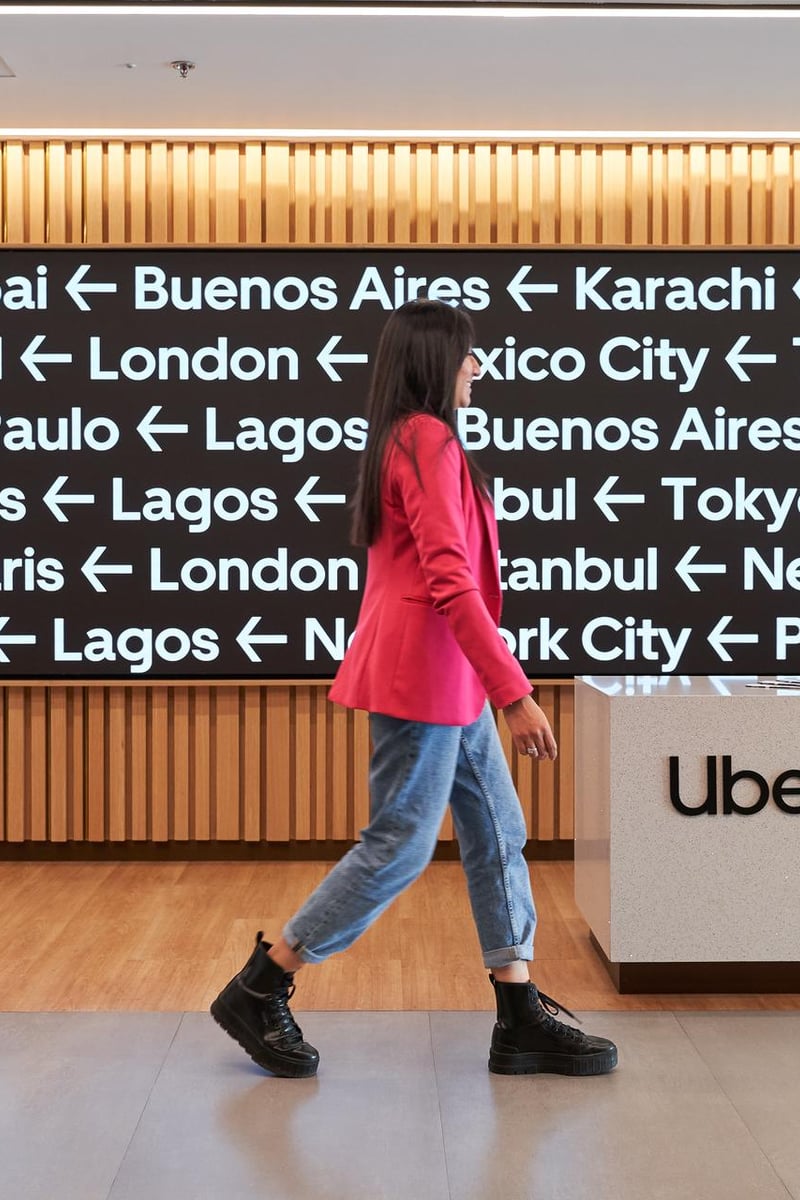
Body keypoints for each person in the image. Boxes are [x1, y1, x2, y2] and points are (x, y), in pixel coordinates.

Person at [211, 299, 618, 1079]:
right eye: (469, 355)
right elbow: (449, 582)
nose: (478, 367)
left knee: (498, 830)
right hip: (425, 677)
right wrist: (515, 691)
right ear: (437, 362)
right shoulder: (424, 438)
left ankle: (517, 1011)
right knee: (398, 845)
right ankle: (262, 984)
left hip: (448, 675)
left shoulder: (415, 438)